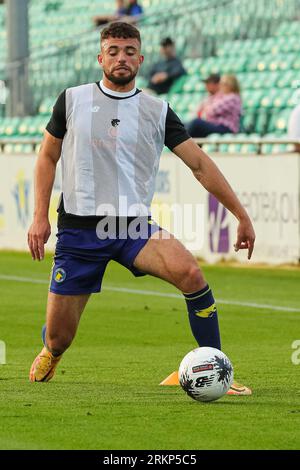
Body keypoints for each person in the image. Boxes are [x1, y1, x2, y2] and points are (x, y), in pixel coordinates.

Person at [28, 22, 255, 395]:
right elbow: (47, 156)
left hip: (133, 228)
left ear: (141, 59)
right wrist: (39, 216)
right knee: (59, 338)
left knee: (191, 274)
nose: (122, 58)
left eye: (130, 51)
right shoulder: (72, 99)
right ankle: (52, 349)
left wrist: (241, 215)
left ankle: (215, 368)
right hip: (80, 230)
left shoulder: (157, 110)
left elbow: (199, 164)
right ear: (101, 57)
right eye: (114, 51)